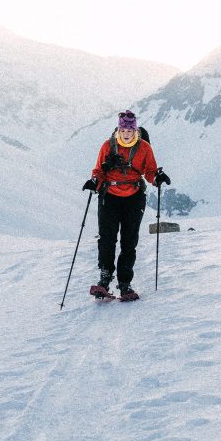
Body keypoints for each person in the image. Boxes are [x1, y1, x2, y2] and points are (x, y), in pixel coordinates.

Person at [82, 110, 171, 301]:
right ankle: (104, 279)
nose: (127, 133)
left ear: (135, 129)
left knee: (129, 241)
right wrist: (94, 182)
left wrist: (157, 177)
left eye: (130, 129)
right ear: (119, 129)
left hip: (134, 197)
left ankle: (125, 283)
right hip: (110, 196)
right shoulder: (108, 146)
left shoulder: (144, 147)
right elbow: (98, 170)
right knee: (107, 239)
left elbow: (149, 171)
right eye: (123, 129)